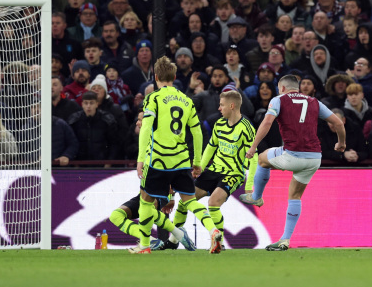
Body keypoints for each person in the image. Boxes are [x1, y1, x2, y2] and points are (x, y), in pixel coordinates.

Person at [240, 74, 346, 251]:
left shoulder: (279, 99)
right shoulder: (314, 102)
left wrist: (253, 146)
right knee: (295, 196)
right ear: (297, 87)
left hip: (293, 155)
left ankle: (256, 196)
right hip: (314, 158)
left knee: (262, 159)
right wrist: (341, 143)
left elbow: (267, 122)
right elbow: (338, 123)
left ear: (282, 88)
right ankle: (285, 240)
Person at [131, 56, 221, 254]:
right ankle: (213, 230)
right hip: (181, 160)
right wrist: (197, 161)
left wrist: (140, 159)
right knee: (190, 201)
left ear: (155, 77)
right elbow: (197, 133)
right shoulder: (186, 100)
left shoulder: (153, 98)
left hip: (158, 159)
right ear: (174, 76)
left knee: (145, 199)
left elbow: (146, 128)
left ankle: (144, 246)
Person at [188, 90, 256, 251]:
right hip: (214, 169)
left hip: (233, 173)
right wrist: (200, 168)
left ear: (232, 106)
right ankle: (174, 238)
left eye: (222, 105)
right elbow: (210, 148)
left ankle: (219, 241)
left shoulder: (246, 128)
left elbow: (254, 158)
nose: (219, 108)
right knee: (187, 199)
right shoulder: (219, 124)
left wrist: (249, 184)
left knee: (213, 202)